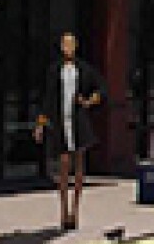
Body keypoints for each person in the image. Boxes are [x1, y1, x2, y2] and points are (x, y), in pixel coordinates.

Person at [34, 32, 104, 231]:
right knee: (64, 165)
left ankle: (75, 210)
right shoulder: (54, 70)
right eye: (65, 44)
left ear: (76, 46)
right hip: (60, 122)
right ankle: (63, 211)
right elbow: (47, 98)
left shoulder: (84, 69)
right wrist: (41, 123)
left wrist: (89, 101)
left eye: (71, 44)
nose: (68, 48)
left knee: (79, 166)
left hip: (78, 121)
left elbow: (100, 88)